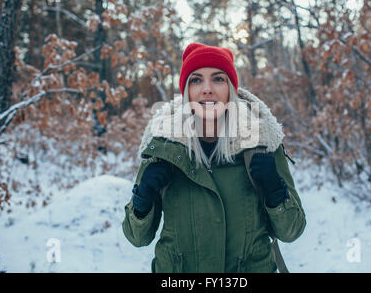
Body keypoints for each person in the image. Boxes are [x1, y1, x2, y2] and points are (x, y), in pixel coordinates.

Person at [122, 42, 306, 273]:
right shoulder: (163, 147)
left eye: (218, 79)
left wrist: (275, 190)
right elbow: (136, 237)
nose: (207, 89)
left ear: (231, 88)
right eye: (196, 80)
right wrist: (143, 198)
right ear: (186, 91)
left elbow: (292, 231)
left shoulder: (261, 143)